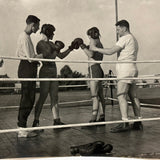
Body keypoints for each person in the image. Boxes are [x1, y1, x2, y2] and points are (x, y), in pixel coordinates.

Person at [90, 20, 143, 132]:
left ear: (124, 28)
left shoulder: (125, 38)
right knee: (133, 96)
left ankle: (125, 122)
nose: (118, 32)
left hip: (126, 70)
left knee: (121, 95)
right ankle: (138, 121)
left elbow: (110, 51)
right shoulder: (133, 39)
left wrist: (95, 49)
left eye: (118, 30)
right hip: (132, 68)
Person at [32, 24, 75, 129]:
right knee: (43, 97)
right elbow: (48, 56)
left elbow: (61, 56)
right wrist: (56, 49)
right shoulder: (40, 44)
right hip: (45, 72)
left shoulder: (51, 44)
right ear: (47, 32)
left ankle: (57, 121)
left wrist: (71, 48)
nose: (53, 34)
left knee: (55, 97)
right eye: (52, 32)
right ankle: (36, 121)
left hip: (53, 72)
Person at [16, 15, 43, 138]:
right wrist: (43, 56)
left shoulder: (23, 36)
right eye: (37, 26)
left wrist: (35, 59)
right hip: (26, 68)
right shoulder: (25, 37)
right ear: (32, 25)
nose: (37, 29)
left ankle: (22, 127)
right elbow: (31, 58)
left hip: (26, 67)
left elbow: (18, 53)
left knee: (28, 98)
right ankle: (22, 129)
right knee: (27, 98)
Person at [80, 27, 106, 123]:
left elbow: (90, 54)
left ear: (90, 35)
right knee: (100, 95)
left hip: (94, 68)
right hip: (98, 68)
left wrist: (82, 47)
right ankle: (102, 116)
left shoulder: (93, 42)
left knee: (94, 95)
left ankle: (93, 118)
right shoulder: (99, 43)